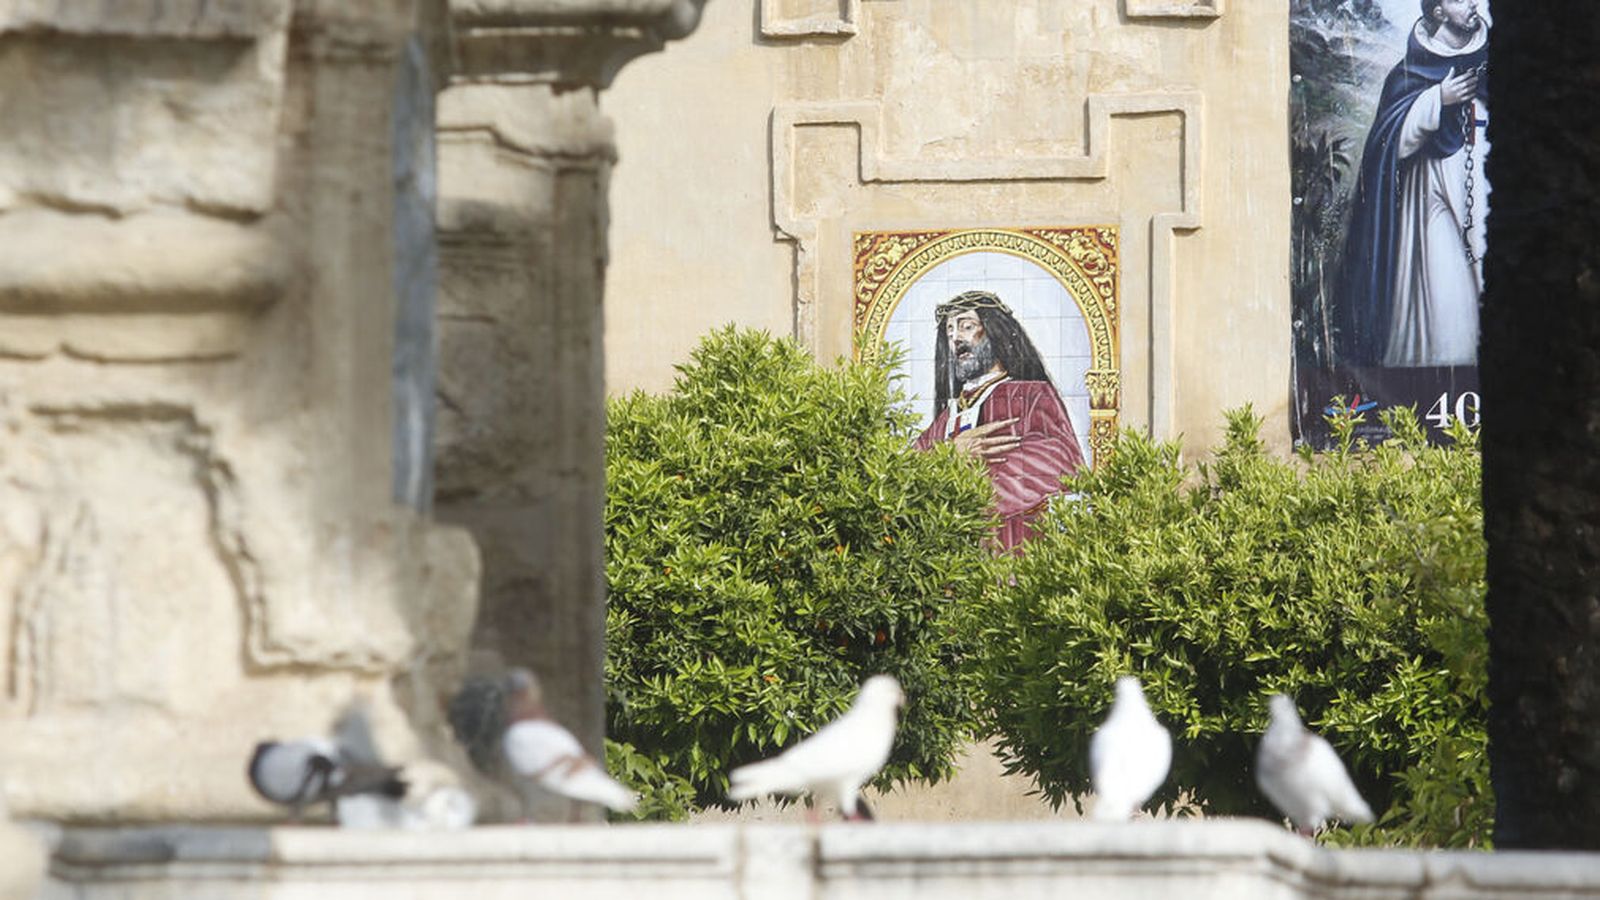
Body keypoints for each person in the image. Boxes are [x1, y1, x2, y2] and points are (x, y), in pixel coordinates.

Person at [1333, 0, 1488, 368]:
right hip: (1428, 195)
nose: (1473, 3)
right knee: (1440, 288)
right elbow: (1388, 144)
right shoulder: (1408, 73)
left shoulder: (1492, 64)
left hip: (1483, 187)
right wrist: (1438, 99)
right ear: (1437, 12)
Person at [913, 290, 1085, 551]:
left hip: (1016, 549)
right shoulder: (950, 416)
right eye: (949, 331)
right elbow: (907, 470)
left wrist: (972, 486)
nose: (956, 338)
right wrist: (949, 454)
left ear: (994, 331)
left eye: (966, 326)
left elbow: (1062, 460)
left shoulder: (1031, 394)